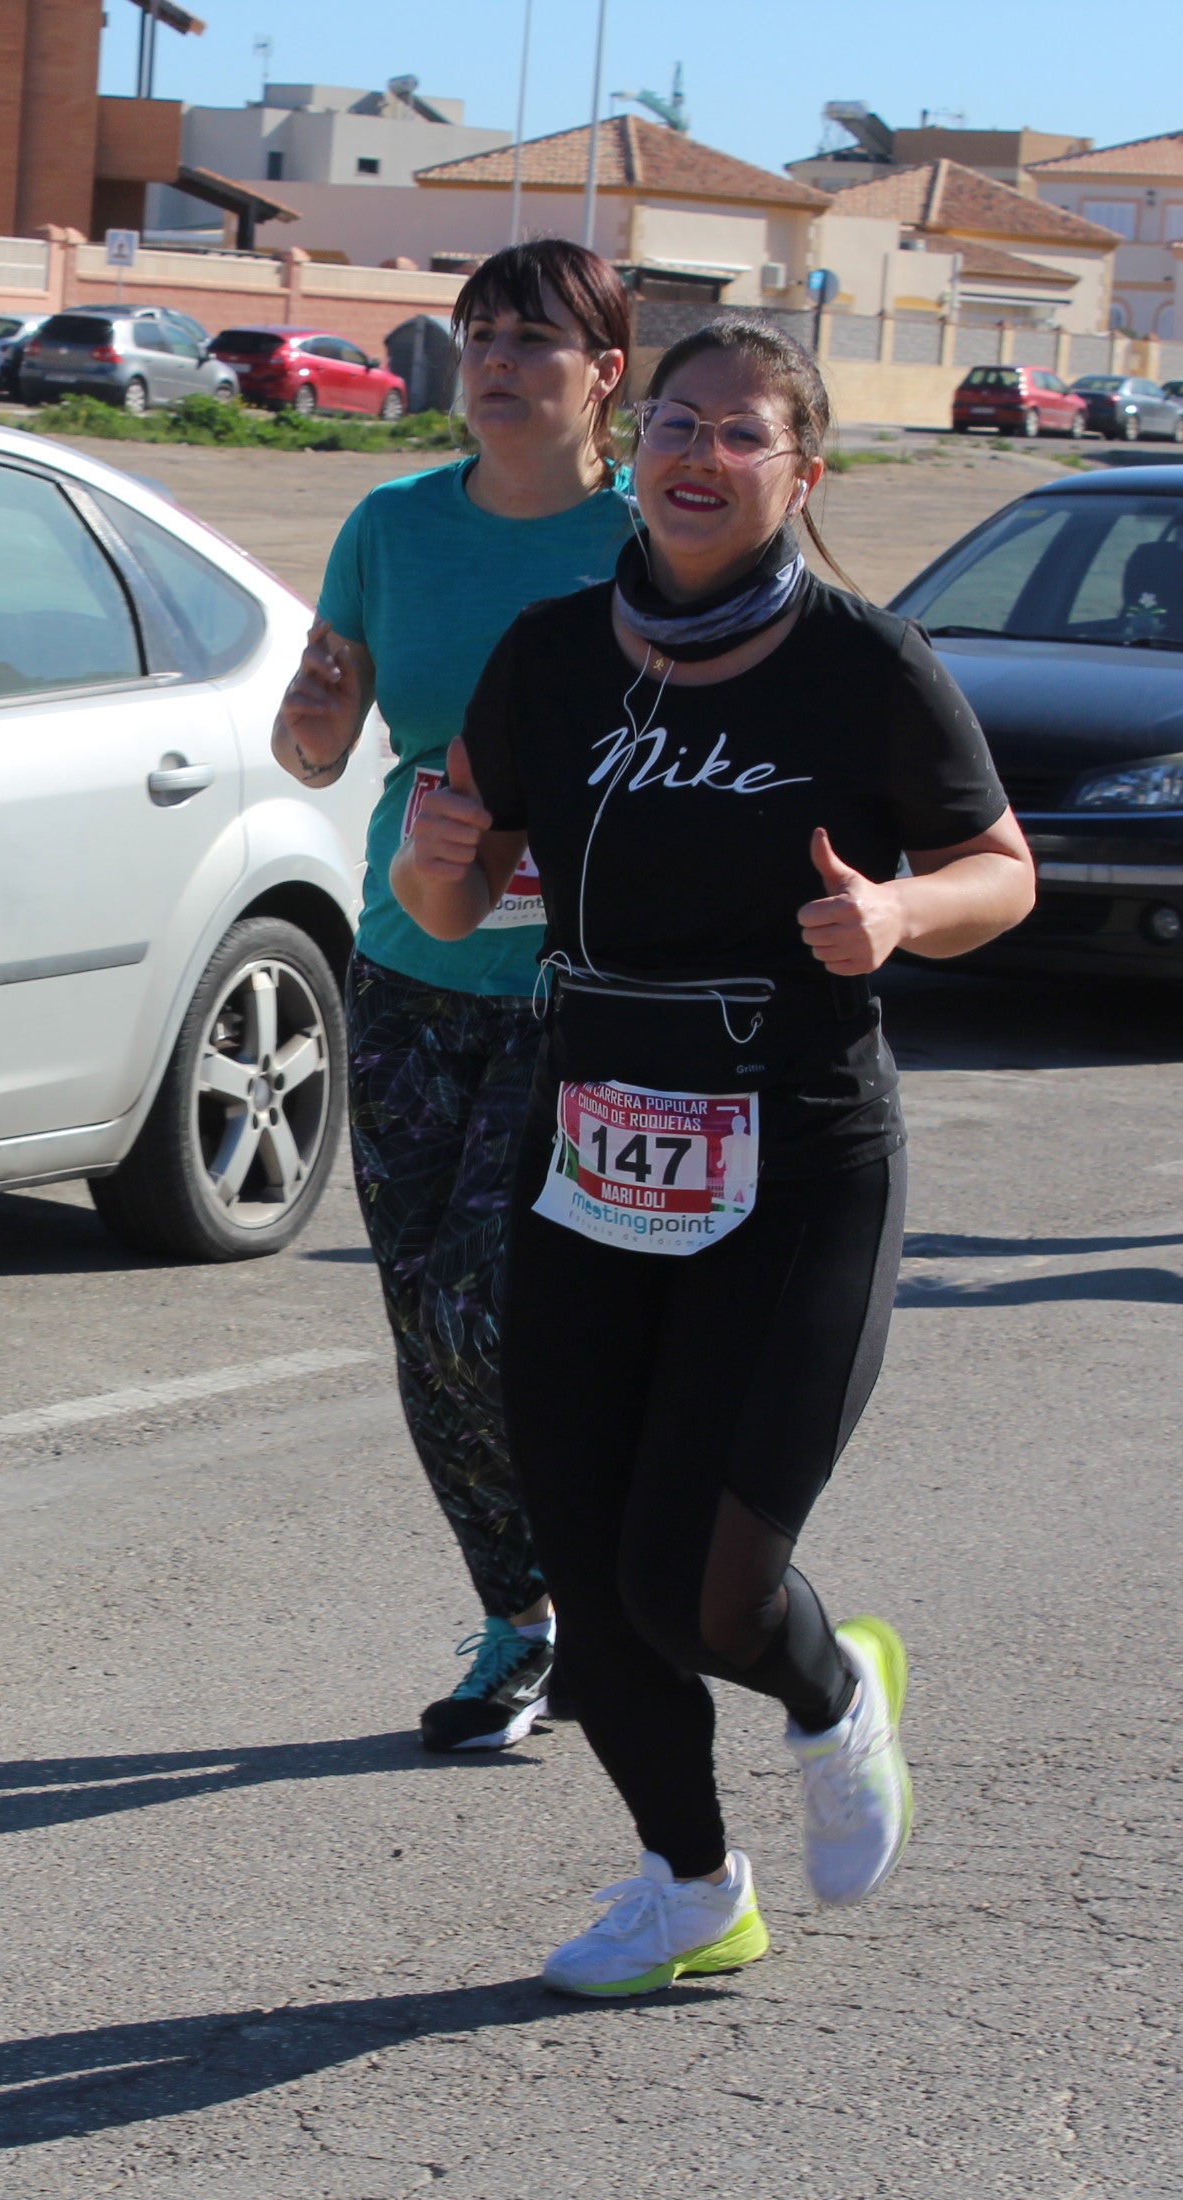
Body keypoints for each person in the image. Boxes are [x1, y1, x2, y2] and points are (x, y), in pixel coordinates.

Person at [395, 320, 1034, 1995]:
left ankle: (832, 1691)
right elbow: (451, 898)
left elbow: (1001, 867)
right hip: (594, 1153)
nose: (695, 452)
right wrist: (430, 861)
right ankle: (688, 1885)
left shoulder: (862, 664)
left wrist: (897, 908)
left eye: (738, 433)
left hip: (798, 1155)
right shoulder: (549, 655)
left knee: (704, 1583)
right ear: (634, 446)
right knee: (593, 1574)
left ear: (799, 472)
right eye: (672, 420)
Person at [270, 239, 641, 1754]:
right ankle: (523, 1619)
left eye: (535, 341)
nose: (496, 362)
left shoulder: (650, 534)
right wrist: (307, 718)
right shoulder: (392, 525)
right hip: (409, 965)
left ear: (606, 373)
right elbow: (321, 740)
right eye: (479, 335)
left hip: (586, 984)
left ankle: (605, 1584)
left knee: (490, 1308)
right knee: (423, 1311)